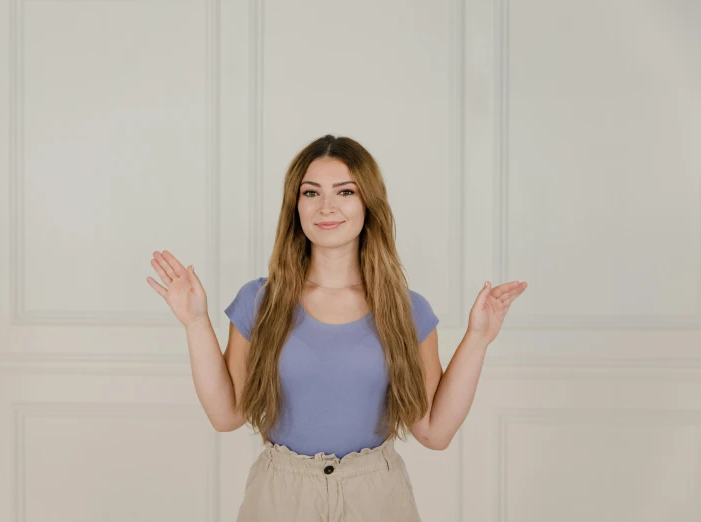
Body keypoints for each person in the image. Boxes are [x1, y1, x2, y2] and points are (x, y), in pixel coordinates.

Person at [146, 134, 528, 521]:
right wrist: (195, 322)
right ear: (296, 206)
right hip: (280, 496)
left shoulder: (406, 309)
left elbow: (434, 431)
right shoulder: (259, 301)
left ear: (368, 203)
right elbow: (226, 415)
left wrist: (478, 338)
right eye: (311, 193)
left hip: (377, 497)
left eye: (345, 191)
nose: (326, 206)